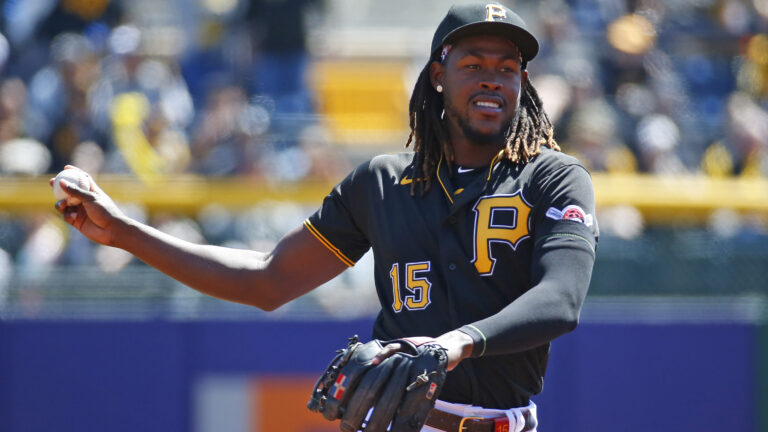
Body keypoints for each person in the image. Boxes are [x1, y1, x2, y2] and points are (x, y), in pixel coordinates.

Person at [52, 4, 597, 431]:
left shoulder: (553, 177)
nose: (492, 79)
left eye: (507, 69)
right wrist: (124, 232)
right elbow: (267, 280)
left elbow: (561, 299)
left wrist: (453, 343)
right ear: (438, 75)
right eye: (474, 64)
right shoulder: (381, 182)